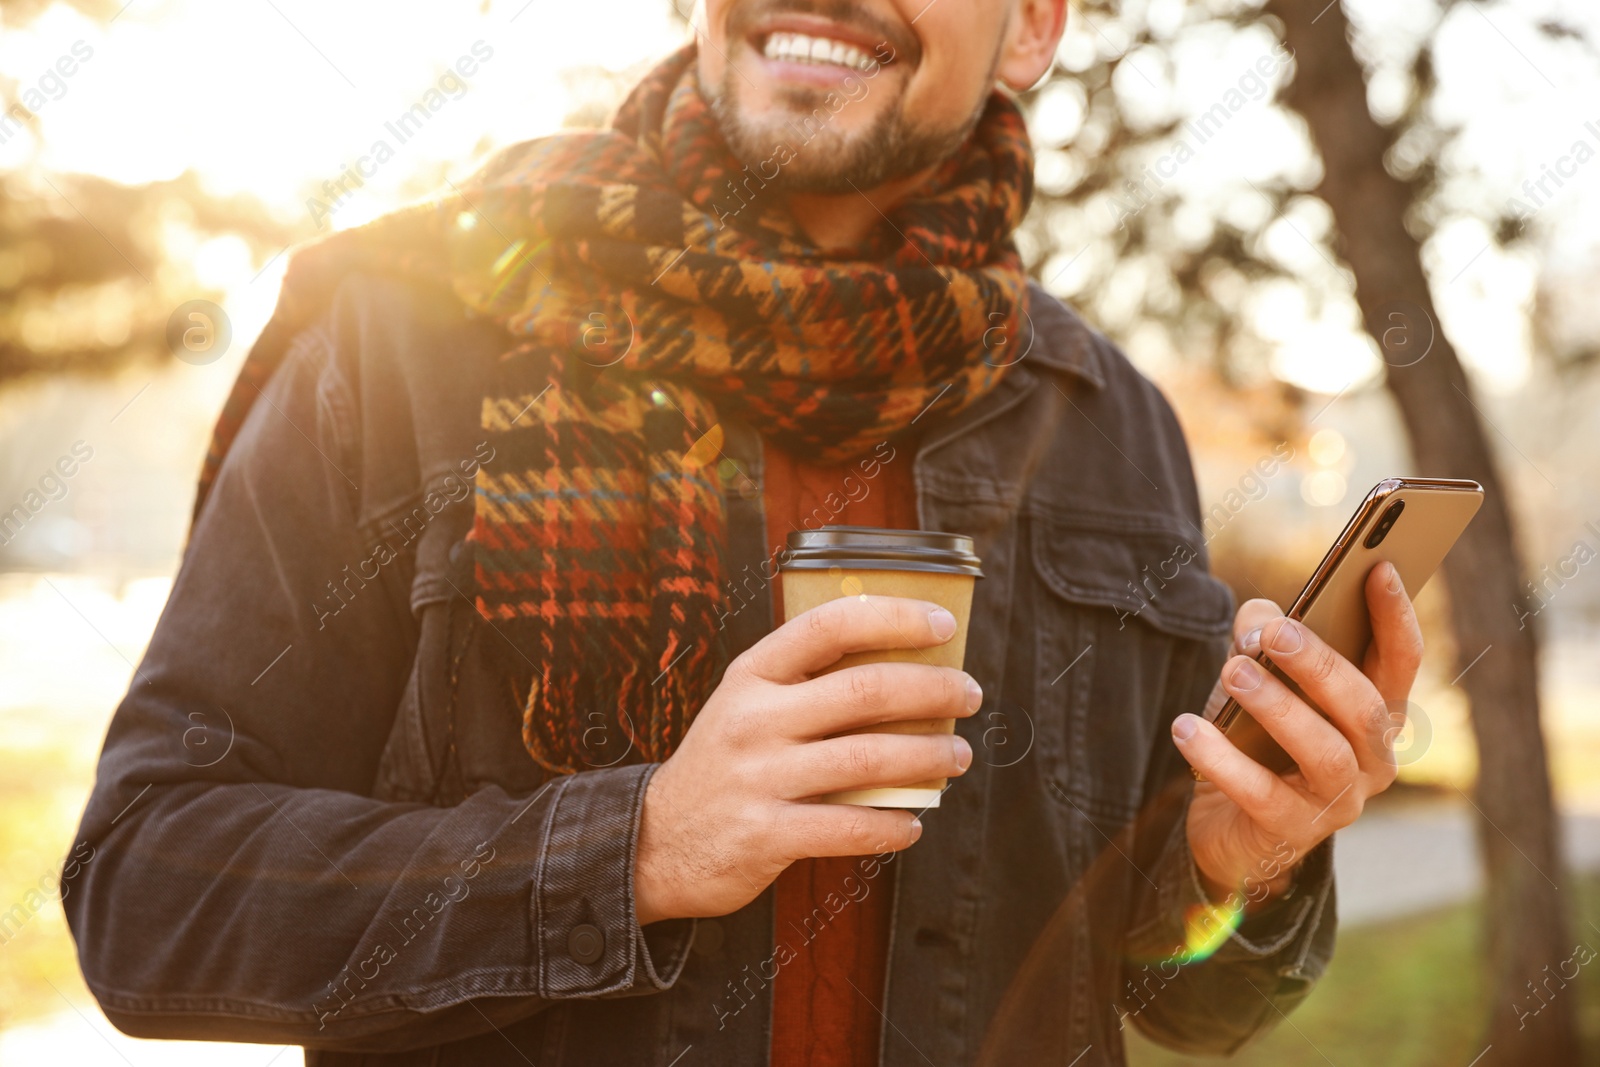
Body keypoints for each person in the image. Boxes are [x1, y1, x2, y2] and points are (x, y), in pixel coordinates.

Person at [64, 1, 1423, 1064]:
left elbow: (1177, 997)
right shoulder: (402, 343)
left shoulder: (1107, 416)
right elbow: (146, 894)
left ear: (1034, 26)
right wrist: (638, 847)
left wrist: (1241, 864)